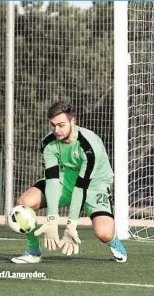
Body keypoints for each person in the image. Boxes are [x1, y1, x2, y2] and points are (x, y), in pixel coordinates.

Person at [11, 101, 128, 264]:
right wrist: (52, 218)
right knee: (24, 203)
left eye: (61, 125)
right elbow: (52, 180)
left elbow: (81, 188)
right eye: (53, 125)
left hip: (95, 185)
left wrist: (71, 225)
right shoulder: (48, 143)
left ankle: (115, 243)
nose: (57, 130)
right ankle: (33, 252)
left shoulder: (88, 146)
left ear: (73, 120)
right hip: (66, 181)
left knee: (104, 233)